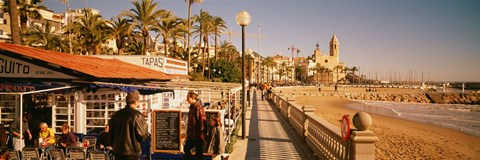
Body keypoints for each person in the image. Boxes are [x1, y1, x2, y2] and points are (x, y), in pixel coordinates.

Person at [109, 91, 149, 160]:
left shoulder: (116, 115)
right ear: (136, 102)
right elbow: (142, 135)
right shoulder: (137, 115)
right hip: (132, 152)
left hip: (118, 152)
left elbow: (110, 133)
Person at [184, 91, 206, 160]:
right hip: (191, 135)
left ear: (192, 98)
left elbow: (202, 120)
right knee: (186, 149)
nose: (187, 99)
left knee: (198, 153)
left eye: (188, 98)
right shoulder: (191, 107)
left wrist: (202, 134)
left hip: (197, 135)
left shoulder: (198, 107)